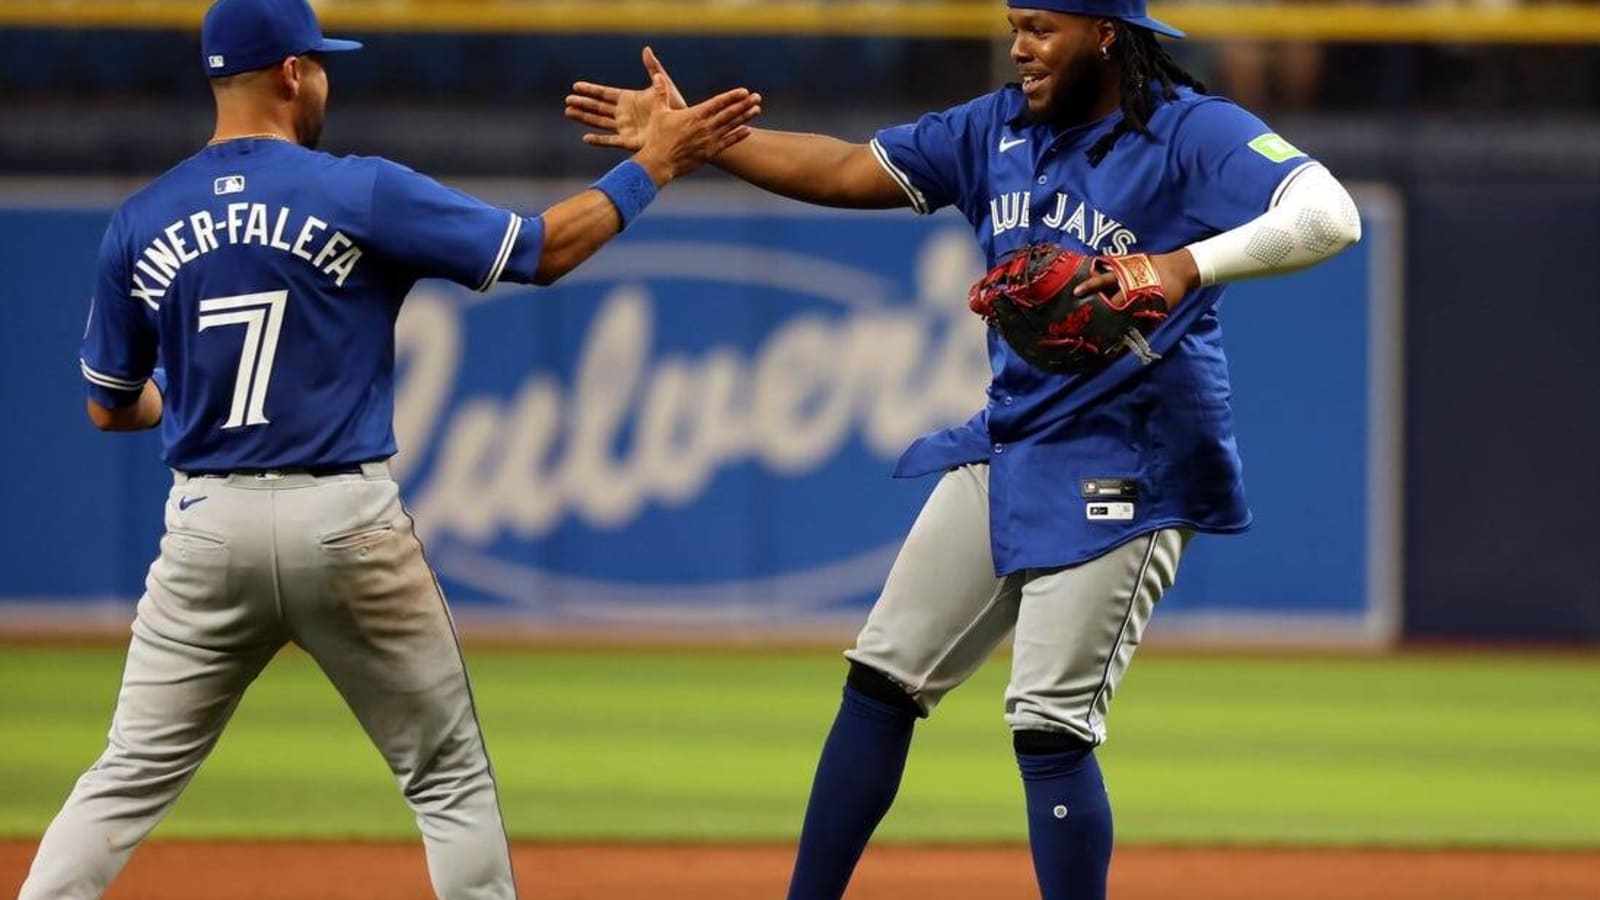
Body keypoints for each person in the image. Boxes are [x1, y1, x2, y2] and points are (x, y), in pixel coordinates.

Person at [565, 1, 1359, 897]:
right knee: (881, 678)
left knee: (1049, 728)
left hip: (1134, 457)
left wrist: (1182, 266)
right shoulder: (996, 128)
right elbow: (843, 167)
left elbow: (1330, 216)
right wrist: (694, 142)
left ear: (1105, 31)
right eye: (1014, 23)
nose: (1019, 45)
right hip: (1014, 436)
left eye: (1041, 27)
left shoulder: (1189, 130)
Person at [21, 0, 760, 897]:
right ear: (292, 73)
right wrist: (654, 165)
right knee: (447, 784)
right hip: (345, 518)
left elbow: (108, 407)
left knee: (124, 778)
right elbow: (539, 251)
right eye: (320, 63)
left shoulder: (139, 221)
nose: (326, 77)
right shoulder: (355, 189)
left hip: (207, 527)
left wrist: (189, 396)